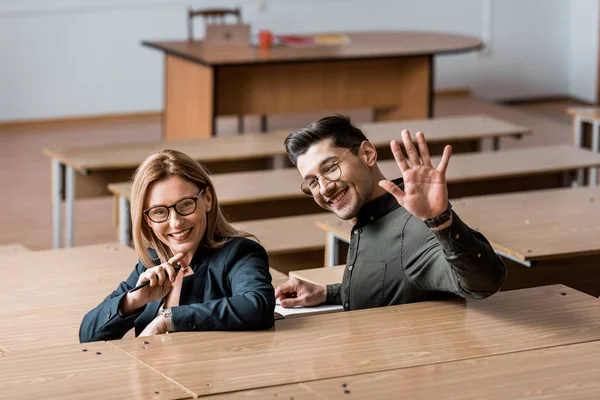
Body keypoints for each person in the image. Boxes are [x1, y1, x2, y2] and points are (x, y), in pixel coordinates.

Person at [275, 115, 507, 311]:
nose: (325, 187)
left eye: (331, 168)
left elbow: (484, 283)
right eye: (313, 182)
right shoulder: (371, 218)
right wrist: (329, 292)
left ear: (367, 154)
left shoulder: (416, 229)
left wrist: (441, 221)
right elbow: (394, 279)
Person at [80, 149, 275, 342]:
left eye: (185, 205)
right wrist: (133, 301)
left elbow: (258, 305)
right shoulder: (152, 262)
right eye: (159, 212)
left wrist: (167, 320)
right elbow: (88, 334)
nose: (175, 222)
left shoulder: (240, 253)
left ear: (207, 199)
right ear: (147, 219)